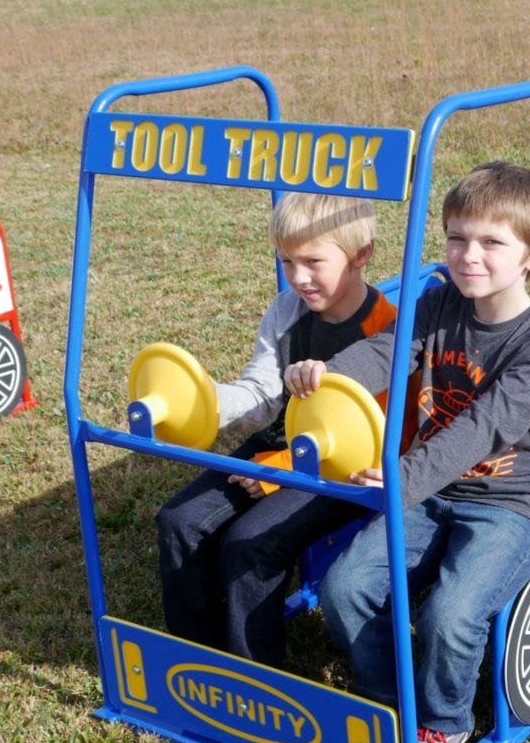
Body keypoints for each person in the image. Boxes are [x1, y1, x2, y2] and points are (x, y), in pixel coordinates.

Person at [285, 162, 530, 743]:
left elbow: (486, 426)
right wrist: (330, 376)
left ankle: (443, 724)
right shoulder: (437, 302)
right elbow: (386, 353)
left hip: (514, 502)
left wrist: (402, 480)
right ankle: (389, 699)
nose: (468, 256)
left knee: (450, 613)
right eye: (456, 238)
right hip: (428, 487)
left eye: (491, 242)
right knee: (345, 590)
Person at [156, 191, 398, 669]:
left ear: (361, 254)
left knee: (251, 546)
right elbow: (262, 393)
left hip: (341, 471)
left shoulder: (386, 331)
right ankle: (196, 656)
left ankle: (256, 678)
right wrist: (205, 402)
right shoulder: (287, 311)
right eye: (287, 260)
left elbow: (373, 441)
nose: (298, 277)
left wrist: (282, 469)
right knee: (178, 522)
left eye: (312, 261)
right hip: (277, 447)